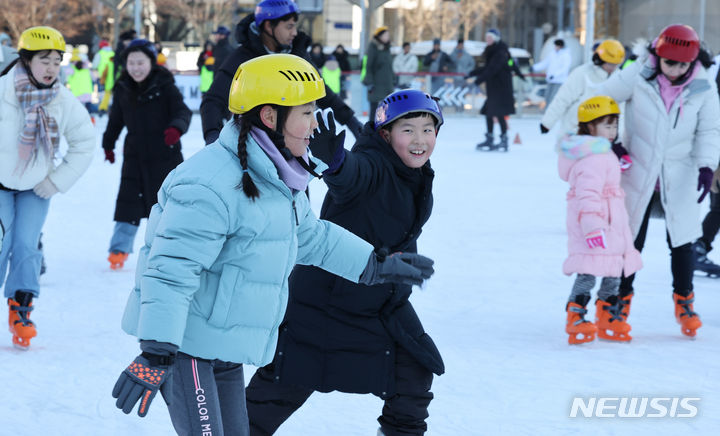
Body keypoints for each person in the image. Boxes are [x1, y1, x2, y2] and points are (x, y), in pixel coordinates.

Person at [111, 53, 434, 435]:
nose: (315, 125)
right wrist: (157, 350)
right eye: (307, 113)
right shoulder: (209, 183)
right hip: (184, 349)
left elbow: (312, 238)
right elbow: (170, 272)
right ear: (270, 117)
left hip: (225, 349)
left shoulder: (279, 177)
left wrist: (374, 265)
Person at [245, 88, 444, 436]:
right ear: (385, 134)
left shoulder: (414, 175)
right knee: (275, 394)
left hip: (379, 302)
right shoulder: (374, 165)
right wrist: (336, 163)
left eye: (428, 129)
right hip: (324, 304)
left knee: (414, 369)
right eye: (408, 130)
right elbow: (352, 175)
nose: (420, 140)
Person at [598, 23, 720, 338]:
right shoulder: (637, 74)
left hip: (681, 174)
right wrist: (612, 140)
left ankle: (685, 301)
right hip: (636, 170)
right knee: (630, 242)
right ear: (658, 55)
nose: (676, 69)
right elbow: (602, 100)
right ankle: (617, 301)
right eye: (670, 63)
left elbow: (709, 130)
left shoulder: (704, 85)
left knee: (681, 242)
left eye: (683, 64)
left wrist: (707, 166)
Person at [0, 26, 95, 349]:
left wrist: (56, 180)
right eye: (44, 60)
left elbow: (85, 142)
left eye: (57, 61)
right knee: (1, 244)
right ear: (26, 61)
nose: (52, 68)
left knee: (27, 246)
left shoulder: (62, 100)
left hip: (34, 187)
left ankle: (21, 307)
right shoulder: (3, 90)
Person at [200, 0, 363, 145]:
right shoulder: (243, 57)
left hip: (292, 144)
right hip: (253, 143)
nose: (294, 32)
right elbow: (213, 100)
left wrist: (350, 120)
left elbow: (322, 92)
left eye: (295, 26)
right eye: (289, 26)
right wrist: (212, 135)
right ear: (269, 26)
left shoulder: (297, 56)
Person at [558, 96, 643, 344]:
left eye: (615, 125)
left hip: (612, 224)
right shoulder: (593, 157)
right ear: (589, 127)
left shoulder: (604, 153)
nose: (612, 131)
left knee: (613, 272)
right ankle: (576, 316)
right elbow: (587, 195)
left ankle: (606, 315)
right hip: (595, 226)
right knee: (588, 272)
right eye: (606, 125)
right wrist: (592, 227)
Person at [101, 39, 192, 270]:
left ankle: (170, 248)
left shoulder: (165, 85)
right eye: (131, 63)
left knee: (166, 205)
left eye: (140, 62)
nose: (136, 68)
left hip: (165, 153)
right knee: (127, 203)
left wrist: (175, 128)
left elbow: (182, 111)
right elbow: (116, 119)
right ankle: (118, 250)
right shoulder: (123, 87)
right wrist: (108, 144)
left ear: (151, 62)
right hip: (135, 155)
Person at [540, 39, 625, 136]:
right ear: (600, 60)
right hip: (577, 130)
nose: (613, 68)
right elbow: (563, 98)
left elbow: (622, 108)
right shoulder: (582, 73)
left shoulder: (619, 77)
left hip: (606, 134)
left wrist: (620, 132)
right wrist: (547, 122)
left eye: (616, 64)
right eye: (610, 64)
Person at [466, 28, 516, 151]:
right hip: (494, 88)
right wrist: (472, 73)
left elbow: (493, 69)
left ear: (496, 39)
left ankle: (503, 140)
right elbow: (487, 67)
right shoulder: (492, 51)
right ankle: (490, 138)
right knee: (489, 113)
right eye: (487, 37)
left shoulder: (500, 52)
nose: (487, 39)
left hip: (501, 88)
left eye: (490, 37)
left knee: (499, 114)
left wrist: (478, 80)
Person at [363, 26, 394, 120]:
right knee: (374, 109)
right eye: (385, 35)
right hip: (376, 84)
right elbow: (368, 66)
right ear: (379, 36)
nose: (387, 37)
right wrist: (369, 82)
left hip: (387, 84)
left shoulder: (387, 48)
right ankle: (372, 131)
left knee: (387, 109)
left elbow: (389, 67)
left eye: (388, 35)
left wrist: (394, 79)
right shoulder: (373, 47)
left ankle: (383, 129)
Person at [532, 38, 572, 107]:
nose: (555, 47)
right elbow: (545, 63)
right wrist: (534, 67)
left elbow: (564, 68)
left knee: (554, 98)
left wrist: (554, 75)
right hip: (551, 80)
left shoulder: (566, 55)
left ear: (560, 46)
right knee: (547, 97)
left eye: (556, 46)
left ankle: (552, 113)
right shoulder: (552, 54)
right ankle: (547, 112)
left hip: (559, 81)